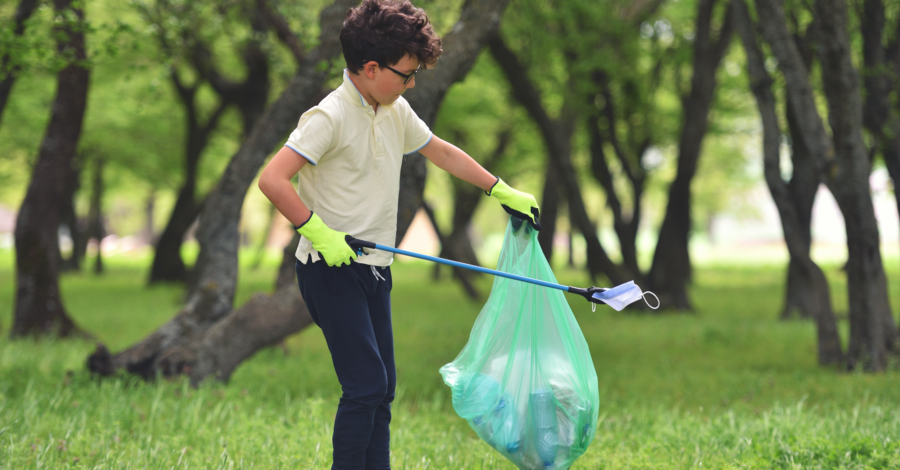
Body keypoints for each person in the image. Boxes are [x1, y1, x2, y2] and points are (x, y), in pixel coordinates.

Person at [258, 0, 540, 468]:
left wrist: (500, 189)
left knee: (383, 388)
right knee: (365, 384)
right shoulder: (328, 116)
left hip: (374, 268)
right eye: (405, 74)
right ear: (370, 68)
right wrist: (319, 232)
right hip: (330, 268)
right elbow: (272, 179)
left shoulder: (394, 109)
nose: (411, 83)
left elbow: (443, 153)